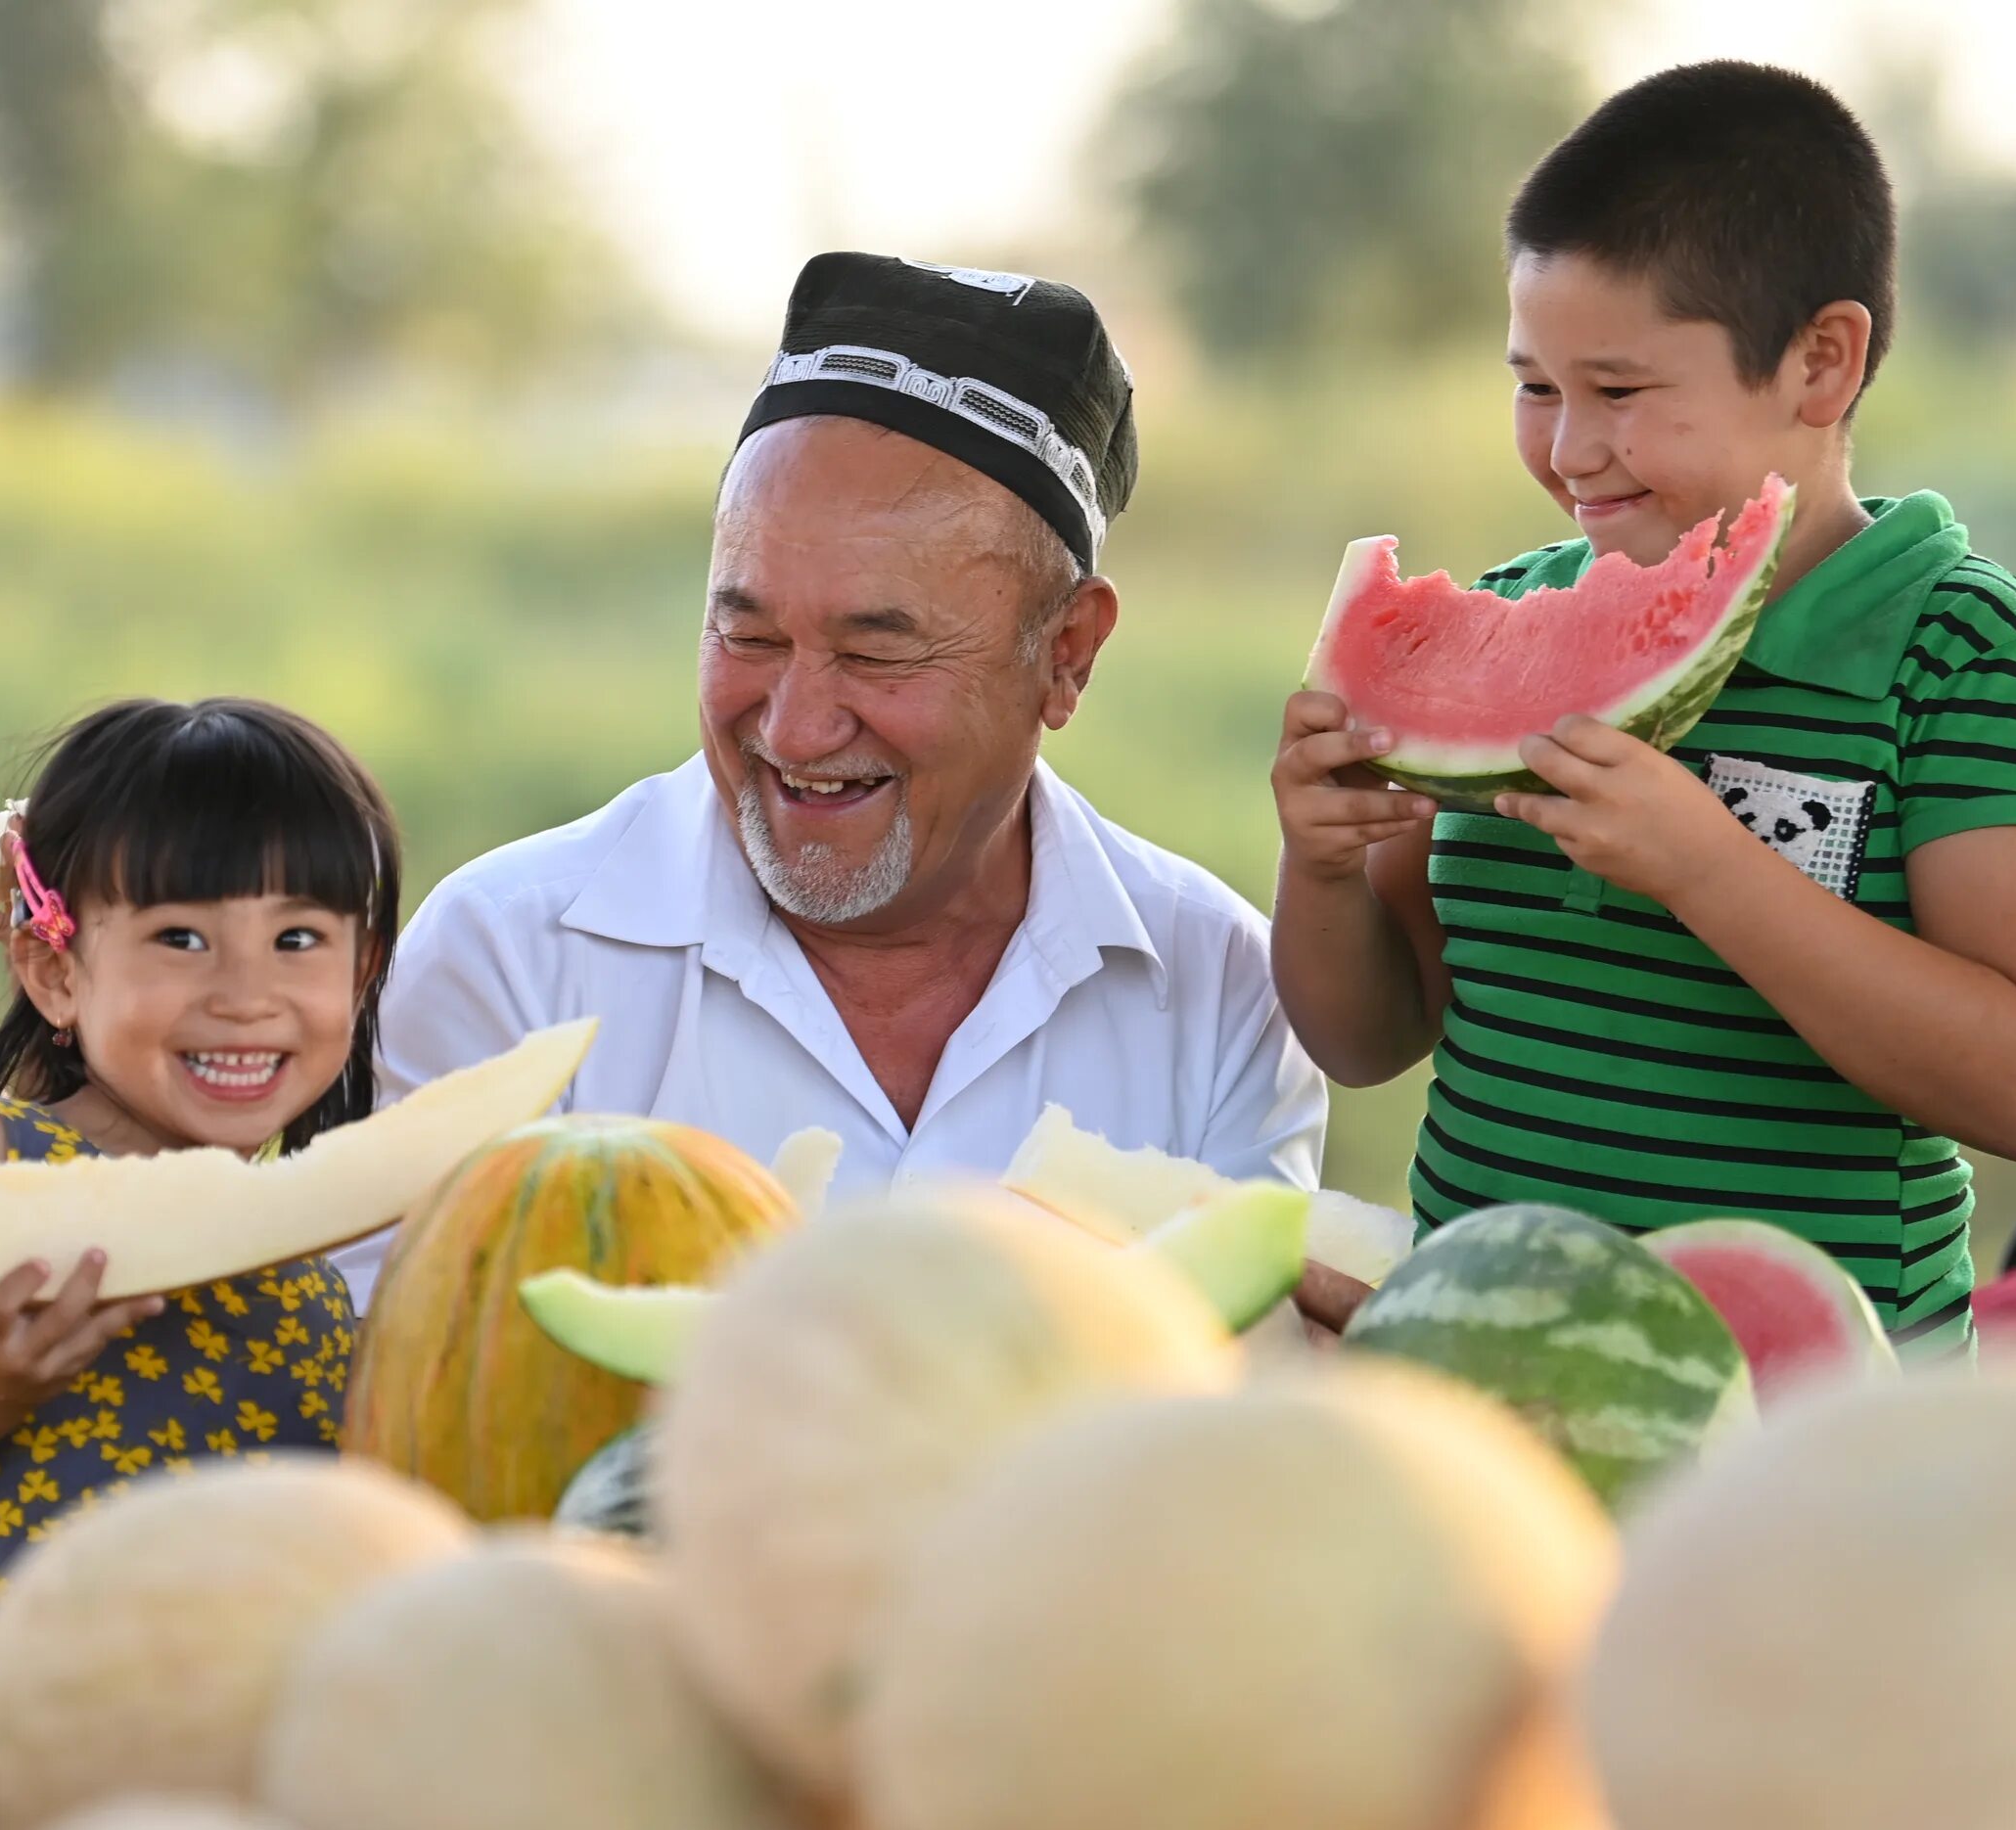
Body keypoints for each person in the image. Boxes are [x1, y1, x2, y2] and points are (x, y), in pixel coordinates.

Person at [1269, 62, 2016, 1358]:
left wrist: (1705, 869)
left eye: (1618, 392)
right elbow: (1370, 1038)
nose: (1567, 449)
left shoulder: (1964, 657)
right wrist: (1321, 868)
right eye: (1535, 384)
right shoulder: (1504, 619)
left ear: (1820, 363)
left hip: (1810, 1436)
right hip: (1479, 1385)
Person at [363, 252, 1325, 1300]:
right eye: (750, 635)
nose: (796, 725)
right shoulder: (505, 960)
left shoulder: (1224, 994)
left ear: (1067, 654)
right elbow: (416, 1395)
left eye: (876, 653)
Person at [0, 698, 400, 1656]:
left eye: (297, 939)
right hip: (36, 1722)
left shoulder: (324, 1243)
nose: (246, 997)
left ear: (361, 975)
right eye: (182, 939)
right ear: (57, 973)